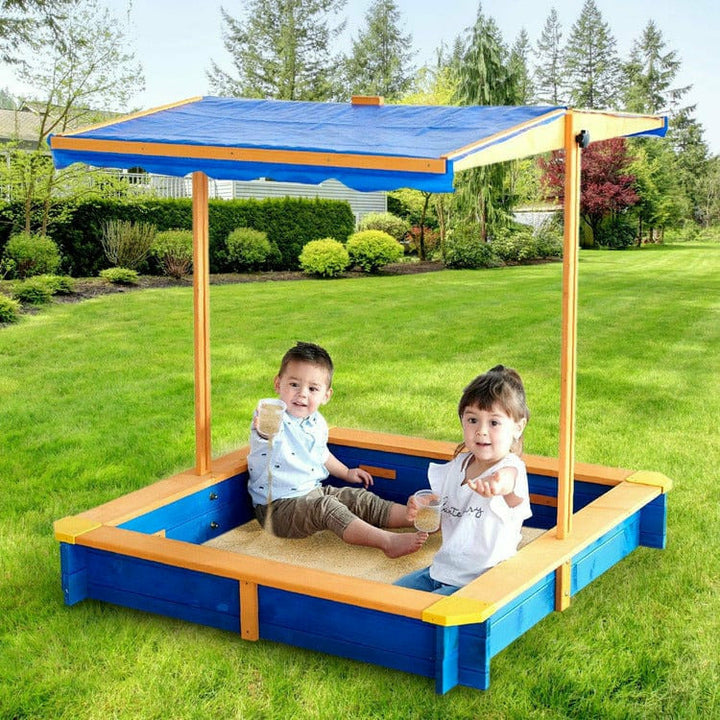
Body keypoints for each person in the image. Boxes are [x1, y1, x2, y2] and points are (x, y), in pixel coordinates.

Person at [247, 341, 427, 558]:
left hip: (311, 492)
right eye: (294, 385)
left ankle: (412, 517)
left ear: (326, 395)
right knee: (326, 507)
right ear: (278, 384)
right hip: (276, 510)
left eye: (312, 389)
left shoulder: (315, 421)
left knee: (355, 498)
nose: (302, 394)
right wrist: (264, 432)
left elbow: (321, 454)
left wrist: (346, 472)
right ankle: (387, 541)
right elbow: (266, 438)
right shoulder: (273, 415)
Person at [395, 365, 531, 594]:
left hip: (482, 582)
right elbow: (440, 518)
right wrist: (423, 507)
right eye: (472, 420)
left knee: (430, 610)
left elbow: (508, 481)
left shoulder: (511, 468)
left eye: (494, 423)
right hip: (442, 570)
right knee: (392, 597)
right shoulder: (457, 466)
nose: (481, 431)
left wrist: (496, 485)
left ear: (517, 428)